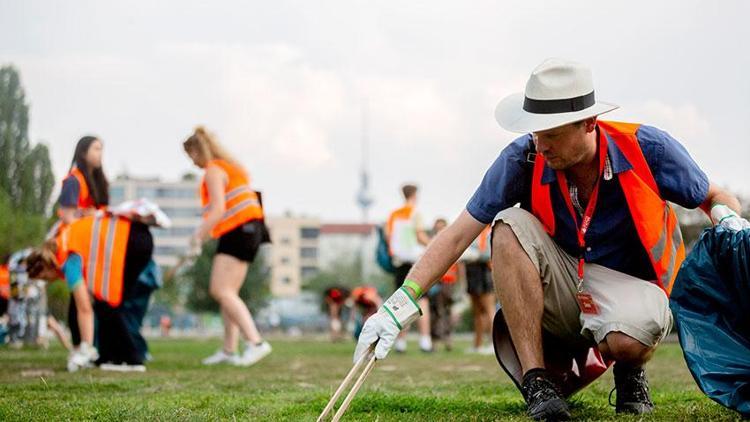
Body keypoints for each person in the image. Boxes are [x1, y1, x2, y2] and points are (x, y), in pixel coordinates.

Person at [353, 58, 748, 420]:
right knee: (506, 225)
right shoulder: (523, 157)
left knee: (627, 343)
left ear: (589, 124)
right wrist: (400, 303)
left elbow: (714, 196)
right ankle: (537, 382)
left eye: (554, 136)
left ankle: (630, 372)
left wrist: (726, 215)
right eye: (536, 134)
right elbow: (458, 235)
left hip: (632, 282)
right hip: (563, 277)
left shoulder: (649, 148)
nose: (541, 146)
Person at [183, 126, 271, 367]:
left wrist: (197, 237)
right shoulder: (234, 168)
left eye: (191, 156)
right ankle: (229, 350)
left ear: (200, 151)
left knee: (221, 290)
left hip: (237, 233)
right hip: (252, 231)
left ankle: (255, 342)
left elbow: (218, 209)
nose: (192, 163)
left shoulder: (214, 170)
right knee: (228, 293)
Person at [27, 214, 154, 372]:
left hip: (131, 242)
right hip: (135, 235)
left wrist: (85, 347)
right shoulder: (64, 241)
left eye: (45, 277)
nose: (50, 281)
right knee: (104, 302)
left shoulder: (68, 261)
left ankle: (131, 359)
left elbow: (84, 308)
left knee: (109, 303)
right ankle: (109, 357)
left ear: (46, 266)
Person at [56, 136, 109, 366]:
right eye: (96, 149)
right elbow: (66, 215)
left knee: (82, 303)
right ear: (83, 151)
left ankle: (82, 348)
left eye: (101, 149)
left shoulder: (96, 182)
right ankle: (85, 348)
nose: (100, 154)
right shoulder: (73, 181)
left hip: (89, 251)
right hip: (72, 252)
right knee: (83, 303)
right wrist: (88, 215)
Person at [385, 184, 432, 353]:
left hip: (399, 262)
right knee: (423, 300)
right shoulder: (415, 213)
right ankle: (425, 341)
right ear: (414, 195)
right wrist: (434, 245)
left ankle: (400, 342)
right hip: (414, 261)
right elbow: (420, 236)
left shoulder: (393, 215)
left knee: (401, 300)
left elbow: (388, 236)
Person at [460, 225, 495, 355]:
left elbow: (488, 253)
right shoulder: (472, 231)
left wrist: (475, 255)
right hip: (472, 271)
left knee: (489, 309)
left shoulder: (489, 231)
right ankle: (477, 344)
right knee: (477, 311)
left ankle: (493, 344)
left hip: (484, 270)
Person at [427, 218, 458, 352]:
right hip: (435, 282)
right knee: (434, 312)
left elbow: (459, 264)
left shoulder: (452, 243)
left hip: (448, 282)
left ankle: (447, 338)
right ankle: (434, 341)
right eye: (437, 228)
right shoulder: (430, 244)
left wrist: (460, 283)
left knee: (446, 311)